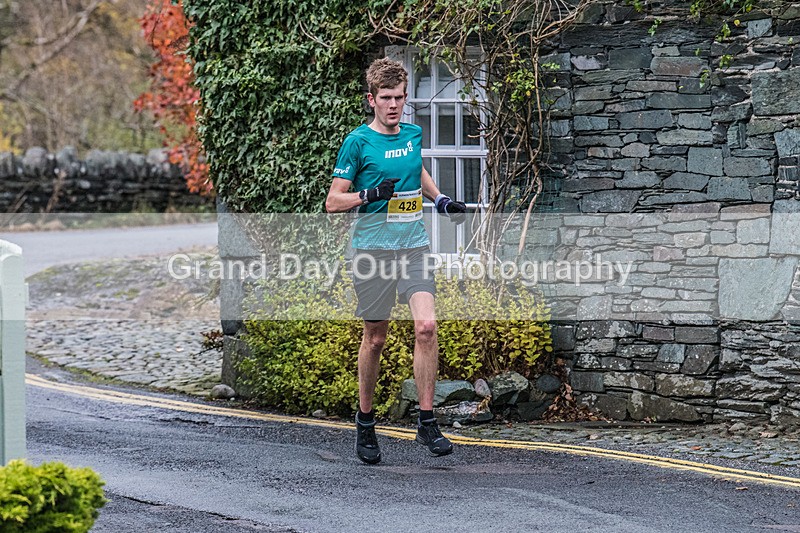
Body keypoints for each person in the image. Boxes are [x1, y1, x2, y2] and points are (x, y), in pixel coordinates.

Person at [325, 57, 466, 464]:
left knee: (426, 327)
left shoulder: (413, 133)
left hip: (413, 245)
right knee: (376, 338)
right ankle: (365, 422)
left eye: (399, 98)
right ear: (371, 99)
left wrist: (440, 199)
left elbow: (416, 169)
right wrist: (369, 196)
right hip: (372, 251)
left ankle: (426, 421)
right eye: (385, 98)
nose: (393, 105)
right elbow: (333, 201)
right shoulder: (357, 142)